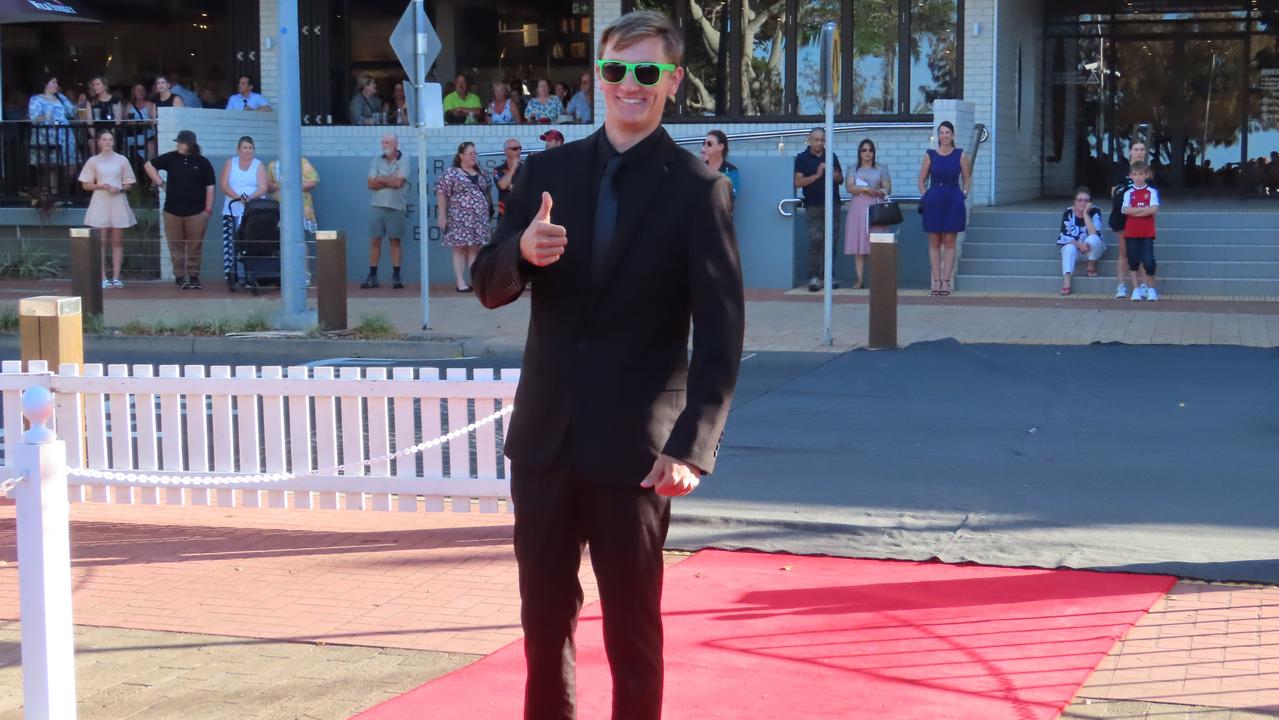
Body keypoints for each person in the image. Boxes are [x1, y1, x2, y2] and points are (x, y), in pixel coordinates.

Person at [471, 11, 744, 719]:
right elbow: (486, 283)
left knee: (631, 626)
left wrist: (692, 447)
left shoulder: (697, 189)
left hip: (636, 454)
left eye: (647, 72)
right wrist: (520, 254)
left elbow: (721, 334)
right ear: (599, 74)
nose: (631, 84)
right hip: (544, 442)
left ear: (672, 82)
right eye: (618, 69)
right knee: (542, 619)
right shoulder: (544, 172)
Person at [145, 129, 216, 289]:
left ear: (191, 145)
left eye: (181, 142)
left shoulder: (203, 162)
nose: (178, 145)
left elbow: (210, 187)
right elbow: (149, 165)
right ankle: (179, 276)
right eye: (178, 142)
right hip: (172, 211)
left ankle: (193, 275)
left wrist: (208, 211)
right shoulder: (171, 158)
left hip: (197, 212)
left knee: (195, 245)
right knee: (175, 245)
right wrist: (161, 183)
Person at [917, 120, 971, 297]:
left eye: (948, 132)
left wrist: (963, 192)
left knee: (949, 241)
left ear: (953, 135)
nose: (944, 136)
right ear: (938, 135)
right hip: (934, 200)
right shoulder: (930, 155)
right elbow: (921, 180)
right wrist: (926, 195)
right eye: (941, 132)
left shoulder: (960, 155)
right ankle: (936, 280)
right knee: (934, 241)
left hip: (953, 198)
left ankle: (946, 281)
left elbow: (966, 178)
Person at [79, 129, 137, 288]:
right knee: (101, 241)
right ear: (99, 142)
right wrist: (101, 186)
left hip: (117, 200)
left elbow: (129, 182)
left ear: (114, 142)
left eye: (110, 139)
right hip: (100, 200)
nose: (107, 142)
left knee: (117, 240)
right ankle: (103, 277)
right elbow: (85, 184)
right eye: (104, 139)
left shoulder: (122, 160)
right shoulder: (93, 161)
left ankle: (116, 277)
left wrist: (118, 189)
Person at [436, 141, 493, 292]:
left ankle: (474, 279)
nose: (474, 156)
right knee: (460, 249)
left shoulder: (481, 172)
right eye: (470, 153)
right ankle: (460, 282)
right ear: (461, 156)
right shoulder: (452, 173)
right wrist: (442, 215)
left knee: (475, 248)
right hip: (460, 217)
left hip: (478, 218)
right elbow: (441, 193)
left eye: (475, 153)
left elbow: (487, 191)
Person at [794, 127, 843, 292]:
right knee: (816, 240)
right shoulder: (802, 158)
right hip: (813, 205)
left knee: (832, 241)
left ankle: (828, 275)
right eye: (816, 139)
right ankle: (814, 276)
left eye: (822, 140)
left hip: (833, 204)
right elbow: (798, 182)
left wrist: (833, 174)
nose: (819, 143)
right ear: (809, 140)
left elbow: (840, 179)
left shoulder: (831, 156)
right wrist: (817, 174)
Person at [219, 136, 268, 289]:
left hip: (253, 211)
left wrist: (250, 198)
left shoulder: (258, 165)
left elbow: (263, 187)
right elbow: (224, 183)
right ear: (238, 149)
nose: (247, 150)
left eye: (250, 148)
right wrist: (237, 197)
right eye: (245, 147)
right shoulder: (230, 163)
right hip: (232, 209)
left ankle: (252, 275)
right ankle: (231, 275)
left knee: (251, 243)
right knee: (231, 243)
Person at [844, 138, 892, 290]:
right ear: (859, 152)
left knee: (876, 245)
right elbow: (849, 187)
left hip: (875, 209)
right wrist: (865, 190)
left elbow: (888, 189)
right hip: (858, 209)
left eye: (870, 150)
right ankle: (859, 280)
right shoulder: (853, 168)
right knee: (859, 247)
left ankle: (877, 279)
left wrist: (876, 191)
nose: (867, 153)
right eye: (864, 150)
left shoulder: (881, 168)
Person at [364, 133, 409, 289]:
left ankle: (396, 276)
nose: (385, 145)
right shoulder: (377, 159)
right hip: (377, 205)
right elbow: (370, 183)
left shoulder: (404, 159)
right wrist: (389, 179)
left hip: (396, 206)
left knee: (395, 241)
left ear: (396, 143)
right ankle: (372, 275)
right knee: (375, 241)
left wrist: (381, 178)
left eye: (388, 142)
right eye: (383, 142)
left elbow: (398, 182)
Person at [1108, 140, 1149, 299]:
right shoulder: (1121, 171)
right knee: (1124, 251)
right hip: (1123, 218)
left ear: (1145, 152)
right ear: (1130, 151)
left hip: (1142, 218)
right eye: (1136, 149)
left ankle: (1144, 285)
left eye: (1142, 149)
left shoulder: (1148, 172)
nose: (1139, 152)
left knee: (1141, 252)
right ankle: (1121, 286)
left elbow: (1151, 196)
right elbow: (1114, 193)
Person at [27, 75, 78, 195]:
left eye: (57, 83)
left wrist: (76, 103)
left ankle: (68, 192)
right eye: (54, 82)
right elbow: (34, 119)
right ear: (46, 84)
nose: (56, 85)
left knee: (70, 165)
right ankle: (53, 195)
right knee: (51, 167)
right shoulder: (36, 99)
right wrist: (46, 117)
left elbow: (71, 112)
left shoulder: (60, 97)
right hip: (47, 137)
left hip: (65, 136)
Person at [1121, 161, 1161, 302]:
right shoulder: (1128, 193)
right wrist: (1144, 211)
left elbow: (1154, 209)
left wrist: (1135, 211)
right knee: (1133, 261)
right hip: (1131, 232)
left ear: (1146, 175)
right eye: (1135, 174)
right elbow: (1126, 210)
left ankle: (1151, 289)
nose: (1138, 177)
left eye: (1141, 174)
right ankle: (1136, 290)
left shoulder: (1151, 192)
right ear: (1131, 176)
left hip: (1147, 233)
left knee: (1149, 261)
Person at [1056, 187, 1106, 296]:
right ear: (1074, 201)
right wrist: (1079, 244)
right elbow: (1064, 236)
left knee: (1093, 239)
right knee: (1068, 247)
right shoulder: (1069, 212)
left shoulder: (1095, 211)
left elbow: (1094, 233)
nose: (1082, 203)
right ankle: (1067, 281)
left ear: (1090, 202)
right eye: (1079, 200)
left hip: (1091, 250)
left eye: (1086, 200)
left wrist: (1085, 214)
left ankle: (1091, 265)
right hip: (1076, 250)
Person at [267, 156, 320, 233]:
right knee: (280, 236)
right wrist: (286, 186)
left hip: (300, 207)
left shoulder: (302, 162)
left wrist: (286, 186)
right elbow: (269, 187)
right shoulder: (272, 165)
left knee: (298, 236)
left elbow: (312, 183)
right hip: (279, 208)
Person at [85, 76, 120, 157]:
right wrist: (94, 135)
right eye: (94, 85)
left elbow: (118, 121)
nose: (95, 87)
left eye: (97, 84)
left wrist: (111, 135)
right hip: (96, 132)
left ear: (105, 86)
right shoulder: (91, 101)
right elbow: (89, 120)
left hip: (111, 131)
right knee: (93, 143)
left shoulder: (115, 100)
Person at [700, 129, 738, 200]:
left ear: (721, 146)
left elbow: (731, 195)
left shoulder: (731, 170)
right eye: (704, 143)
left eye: (709, 144)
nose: (704, 146)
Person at [123, 82, 157, 162]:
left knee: (151, 146)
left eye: (142, 90)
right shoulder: (129, 105)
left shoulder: (149, 104)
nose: (140, 92)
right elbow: (126, 120)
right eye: (137, 90)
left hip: (147, 134)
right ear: (134, 92)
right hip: (133, 134)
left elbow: (153, 120)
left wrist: (142, 123)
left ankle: (150, 168)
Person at [494, 137, 522, 217]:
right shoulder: (498, 170)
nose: (519, 151)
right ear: (506, 151)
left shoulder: (526, 168)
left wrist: (510, 187)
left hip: (523, 215)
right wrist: (513, 168)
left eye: (520, 148)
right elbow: (502, 185)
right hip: (505, 215)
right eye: (515, 148)